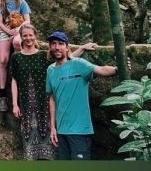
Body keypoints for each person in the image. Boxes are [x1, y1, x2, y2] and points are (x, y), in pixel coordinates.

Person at [9, 24, 96, 160]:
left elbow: (66, 58)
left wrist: (82, 48)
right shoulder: (16, 57)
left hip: (45, 103)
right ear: (21, 37)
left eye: (30, 35)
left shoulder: (45, 55)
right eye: (25, 35)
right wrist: (15, 104)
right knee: (29, 137)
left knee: (52, 141)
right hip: (26, 105)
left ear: (35, 36)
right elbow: (14, 80)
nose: (28, 38)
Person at [45, 30, 123, 160]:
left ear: (67, 47)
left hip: (79, 130)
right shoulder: (51, 70)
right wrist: (53, 127)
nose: (57, 47)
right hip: (61, 131)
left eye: (60, 43)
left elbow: (101, 69)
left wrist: (118, 68)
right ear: (50, 47)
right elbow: (52, 98)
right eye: (53, 43)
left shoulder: (79, 64)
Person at [0, 0, 31, 111]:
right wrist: (8, 31)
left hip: (19, 30)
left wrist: (18, 29)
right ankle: (3, 95)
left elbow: (27, 20)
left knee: (17, 43)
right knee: (3, 60)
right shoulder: (0, 4)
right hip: (6, 31)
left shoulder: (22, 2)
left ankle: (20, 77)